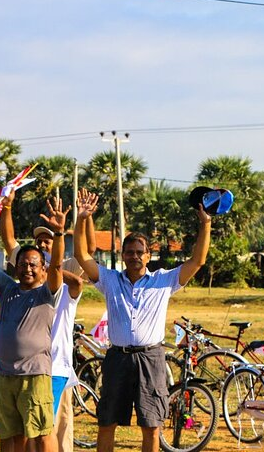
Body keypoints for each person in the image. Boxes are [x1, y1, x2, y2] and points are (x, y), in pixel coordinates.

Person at [73, 191, 212, 452]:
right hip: (117, 358)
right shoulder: (110, 280)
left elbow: (197, 261)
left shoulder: (163, 280)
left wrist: (206, 224)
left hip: (151, 358)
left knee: (151, 424)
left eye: (140, 252)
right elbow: (82, 256)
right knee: (107, 422)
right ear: (123, 255)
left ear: (148, 256)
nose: (135, 256)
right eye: (130, 252)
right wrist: (82, 220)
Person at [0, 194, 68, 452]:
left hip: (35, 376)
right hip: (6, 375)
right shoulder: (8, 289)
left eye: (33, 264)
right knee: (9, 436)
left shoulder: (47, 293)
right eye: (22, 264)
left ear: (42, 269)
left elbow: (56, 267)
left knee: (42, 435)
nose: (27, 268)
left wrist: (60, 233)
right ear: (15, 266)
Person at [0, 189, 98, 452]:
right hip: (26, 368)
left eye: (47, 241)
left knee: (52, 433)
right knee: (28, 434)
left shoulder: (67, 270)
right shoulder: (26, 273)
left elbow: (87, 250)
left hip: (55, 367)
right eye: (39, 241)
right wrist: (7, 208)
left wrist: (83, 219)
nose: (43, 244)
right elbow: (9, 242)